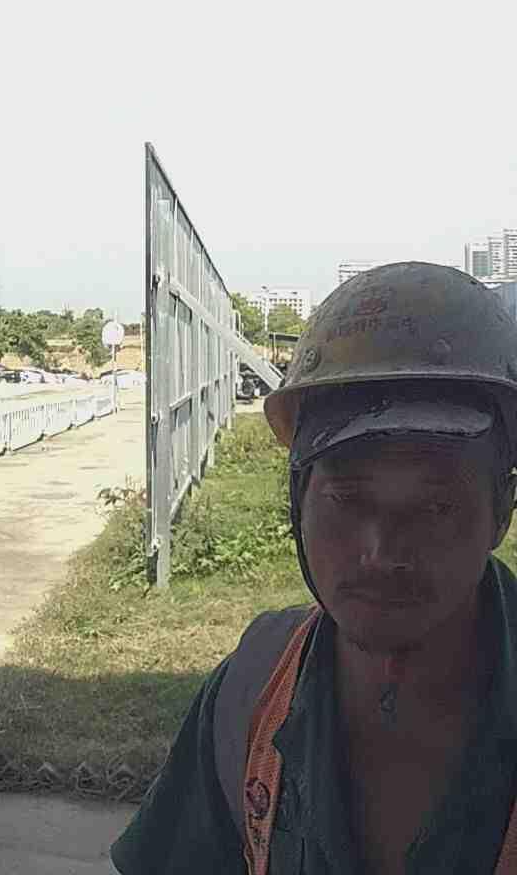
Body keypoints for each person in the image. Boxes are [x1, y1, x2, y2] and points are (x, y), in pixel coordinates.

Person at [110, 262, 517, 874]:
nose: (381, 551)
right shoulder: (252, 692)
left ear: (501, 512)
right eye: (347, 499)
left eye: (435, 506)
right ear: (298, 502)